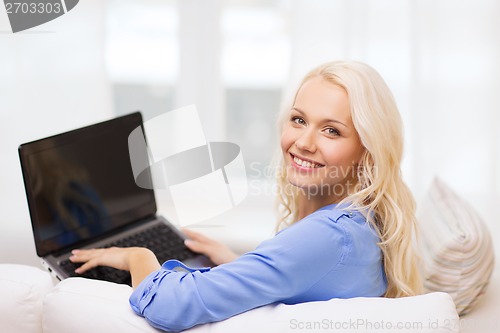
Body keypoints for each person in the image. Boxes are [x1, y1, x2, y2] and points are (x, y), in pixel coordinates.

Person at [70, 61, 423, 332]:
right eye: (299, 120)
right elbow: (308, 279)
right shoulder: (360, 219)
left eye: (332, 130)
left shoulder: (329, 235)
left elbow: (171, 305)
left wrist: (137, 255)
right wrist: (238, 263)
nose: (304, 142)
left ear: (366, 150)